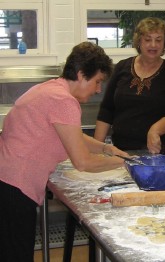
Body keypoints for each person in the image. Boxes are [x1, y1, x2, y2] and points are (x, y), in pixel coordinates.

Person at [0, 41, 130, 262]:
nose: (99, 89)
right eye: (97, 82)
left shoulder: (50, 89)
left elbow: (74, 136)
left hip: (6, 182)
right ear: (81, 74)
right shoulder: (63, 100)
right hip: (15, 188)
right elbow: (83, 162)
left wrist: (106, 148)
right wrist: (125, 163)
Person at [94, 17, 165, 155]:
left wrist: (155, 129)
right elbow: (107, 109)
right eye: (148, 39)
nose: (153, 45)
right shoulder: (122, 67)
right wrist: (96, 148)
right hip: (121, 151)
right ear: (139, 41)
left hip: (158, 153)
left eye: (158, 39)